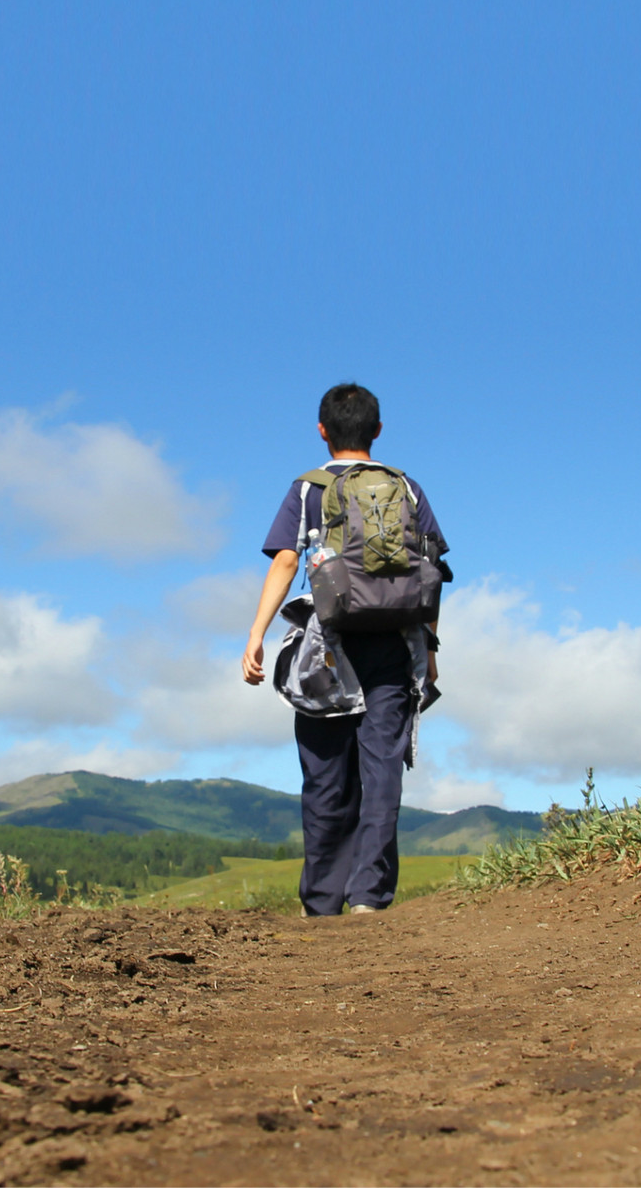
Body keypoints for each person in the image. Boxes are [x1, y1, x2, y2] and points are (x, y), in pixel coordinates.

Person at [241, 382, 449, 916]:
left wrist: (257, 634)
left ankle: (323, 902)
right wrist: (429, 651)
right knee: (381, 772)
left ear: (321, 431)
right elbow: (433, 570)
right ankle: (369, 897)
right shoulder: (408, 489)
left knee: (326, 774)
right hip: (397, 642)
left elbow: (286, 562)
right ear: (378, 431)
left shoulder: (308, 490)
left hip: (325, 649)